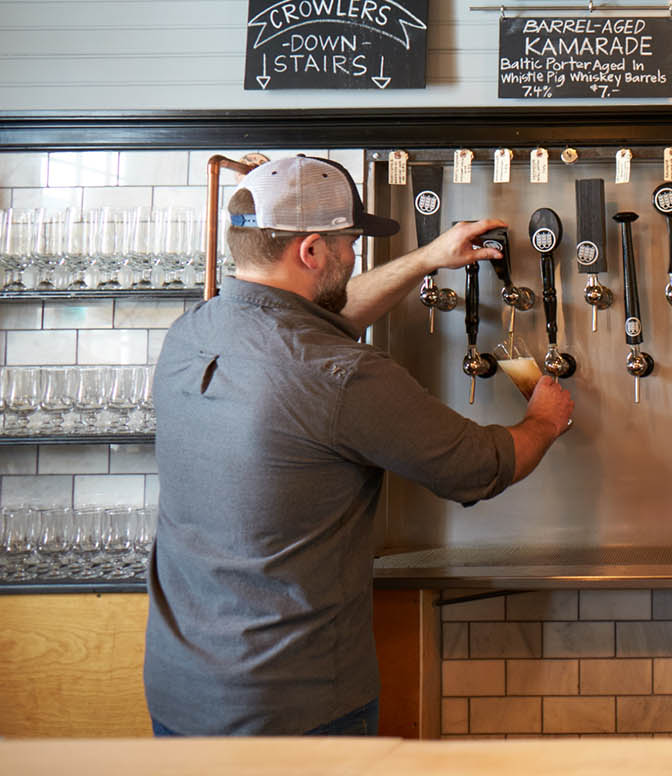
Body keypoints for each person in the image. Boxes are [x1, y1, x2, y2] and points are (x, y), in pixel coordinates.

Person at [144, 154, 573, 736]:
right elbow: (480, 467)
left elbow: (322, 320)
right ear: (313, 251)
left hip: (182, 688)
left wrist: (428, 259)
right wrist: (544, 422)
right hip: (292, 708)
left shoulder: (192, 331)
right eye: (348, 243)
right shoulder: (343, 376)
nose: (354, 256)